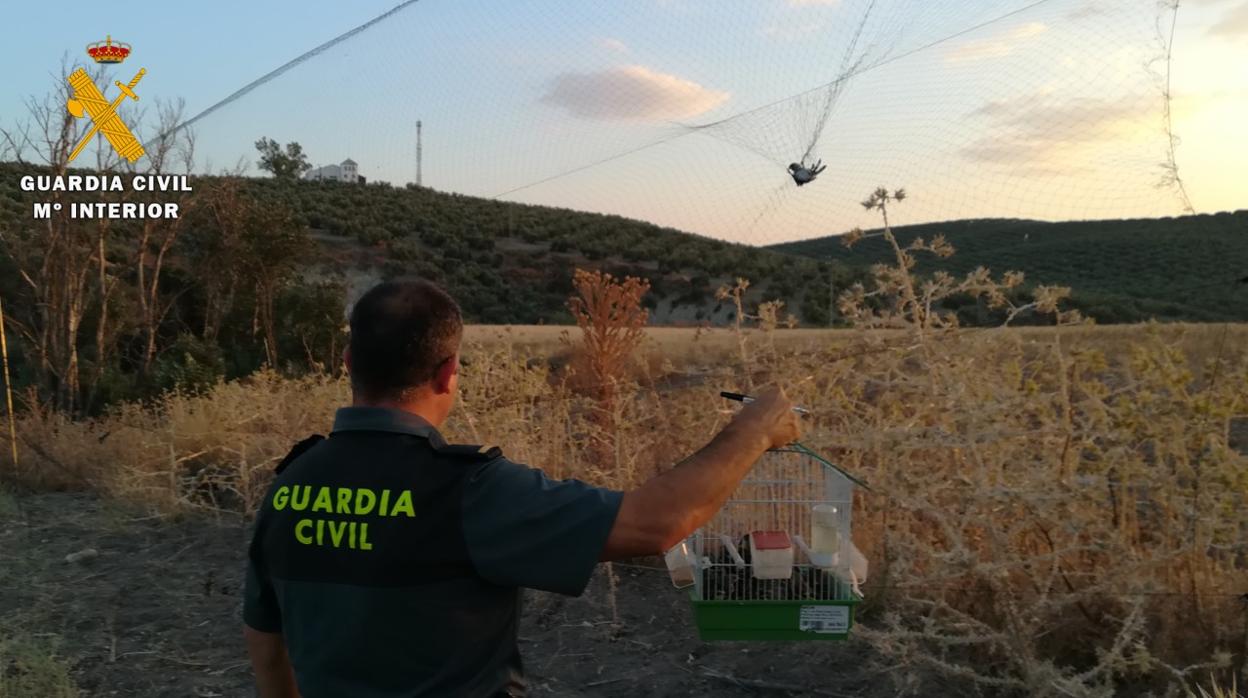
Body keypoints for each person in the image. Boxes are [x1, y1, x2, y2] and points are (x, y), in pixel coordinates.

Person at [243, 278, 802, 698]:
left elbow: (269, 658)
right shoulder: (468, 491)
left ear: (347, 363)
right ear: (448, 374)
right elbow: (655, 523)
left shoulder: (289, 485)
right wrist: (754, 429)